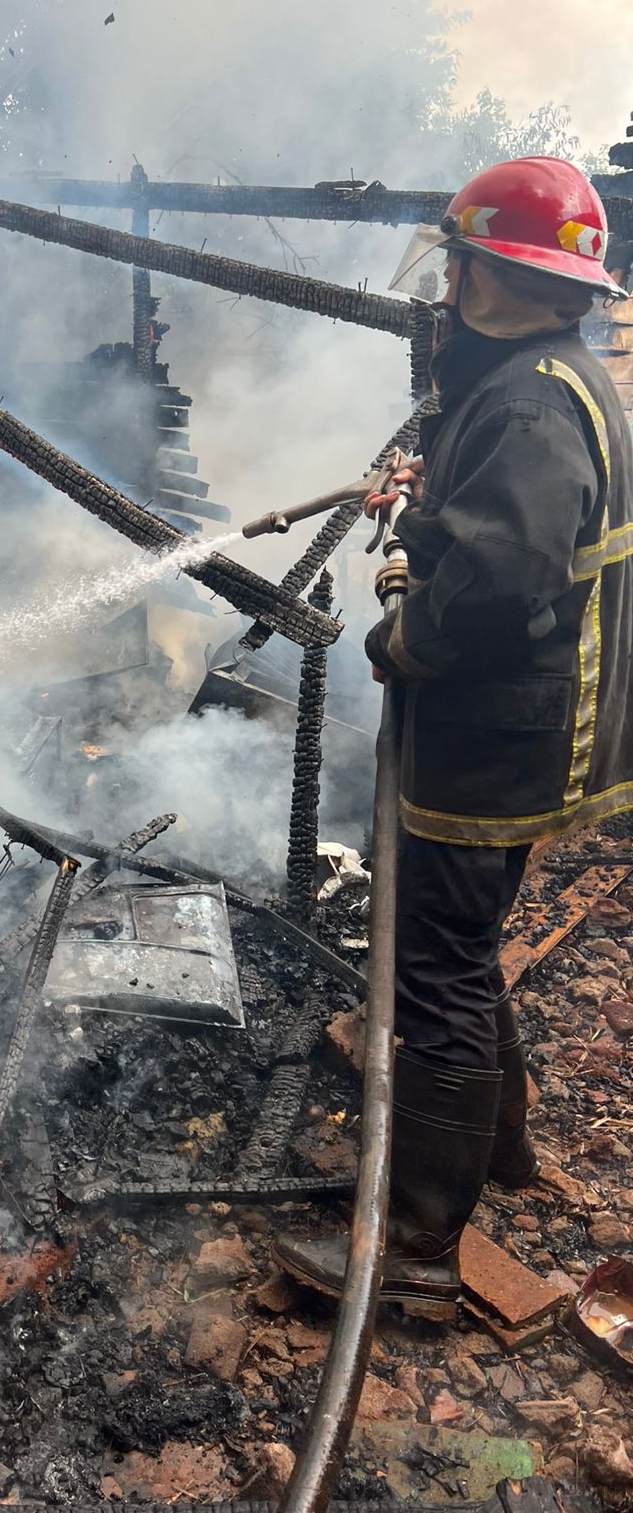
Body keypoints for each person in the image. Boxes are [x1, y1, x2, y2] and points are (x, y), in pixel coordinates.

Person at [274, 157, 633, 1318]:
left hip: (499, 734)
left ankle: (419, 1252)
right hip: (520, 725)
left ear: (490, 271)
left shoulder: (529, 401)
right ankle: (502, 1148)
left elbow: (500, 587)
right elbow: (502, 529)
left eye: (460, 262)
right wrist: (427, 515)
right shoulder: (549, 378)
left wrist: (400, 637)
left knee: (434, 973)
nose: (448, 286)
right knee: (463, 951)